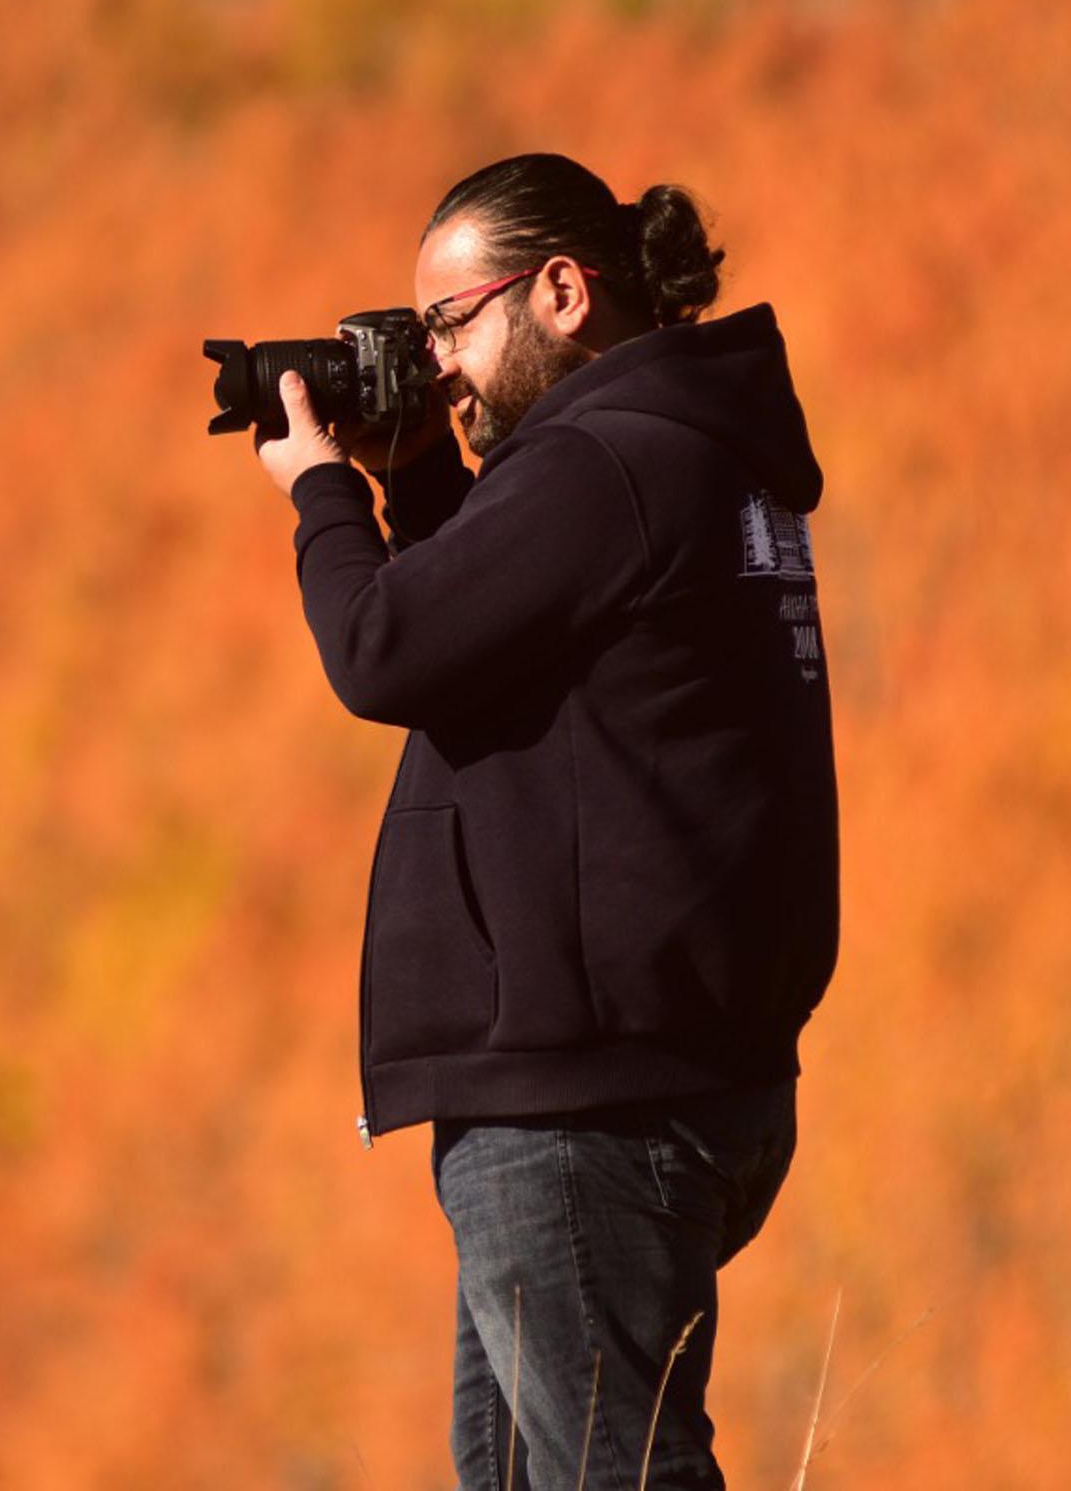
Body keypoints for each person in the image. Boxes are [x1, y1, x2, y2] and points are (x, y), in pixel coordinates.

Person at [250, 152, 839, 1491]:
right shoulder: (686, 451)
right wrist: (418, 486)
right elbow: (524, 642)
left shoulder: (602, 463)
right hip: (673, 1071)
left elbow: (387, 650)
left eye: (449, 324)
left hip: (584, 1101)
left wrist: (321, 492)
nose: (434, 366)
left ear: (562, 291)